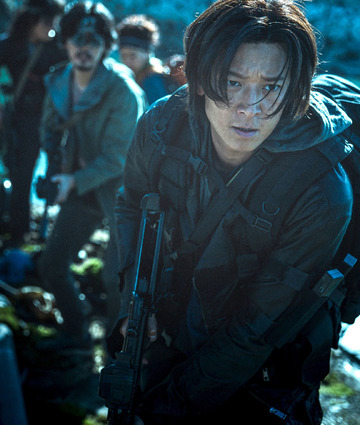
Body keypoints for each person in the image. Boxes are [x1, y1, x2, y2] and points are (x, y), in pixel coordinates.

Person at [109, 0, 356, 423]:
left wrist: (165, 409)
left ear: (294, 91)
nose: (250, 107)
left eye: (271, 87)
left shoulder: (322, 193)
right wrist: (133, 300)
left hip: (266, 377)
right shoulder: (160, 128)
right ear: (200, 79)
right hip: (169, 330)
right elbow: (130, 203)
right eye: (233, 82)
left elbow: (255, 331)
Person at [36, 0, 146, 349]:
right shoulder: (59, 81)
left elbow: (118, 158)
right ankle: (76, 330)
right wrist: (57, 168)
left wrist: (73, 181)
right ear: (64, 42)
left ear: (106, 46)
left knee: (116, 279)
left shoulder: (123, 91)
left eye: (94, 41)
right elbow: (48, 130)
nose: (84, 48)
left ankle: (116, 355)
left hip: (124, 194)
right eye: (76, 40)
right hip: (83, 186)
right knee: (52, 265)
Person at [0, 0, 67, 247]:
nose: (52, 27)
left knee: (57, 170)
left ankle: (50, 232)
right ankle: (19, 232)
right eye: (48, 22)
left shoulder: (58, 46)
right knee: (21, 174)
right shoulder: (9, 44)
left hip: (53, 117)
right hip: (22, 118)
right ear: (32, 21)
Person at [115, 14, 174, 104]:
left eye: (133, 55)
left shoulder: (152, 80)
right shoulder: (135, 76)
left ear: (147, 53)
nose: (127, 61)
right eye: (123, 55)